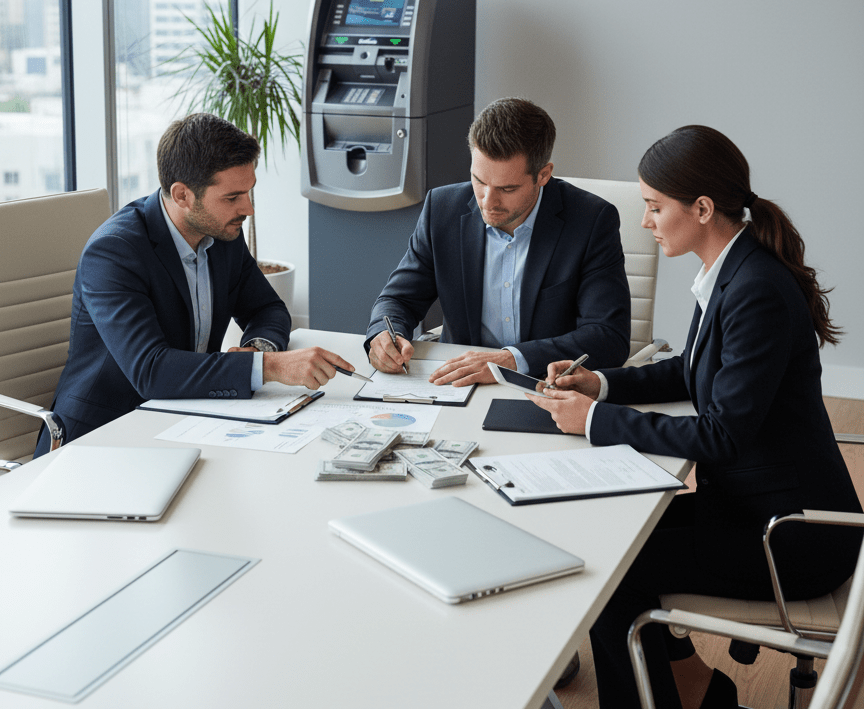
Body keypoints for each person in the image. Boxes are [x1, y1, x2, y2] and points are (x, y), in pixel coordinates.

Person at [525, 125, 863, 709]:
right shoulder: (734, 270)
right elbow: (691, 371)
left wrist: (593, 422)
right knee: (616, 541)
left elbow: (722, 435)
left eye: (655, 207)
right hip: (750, 507)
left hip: (791, 537)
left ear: (702, 208)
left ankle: (686, 692)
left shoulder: (754, 287)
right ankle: (695, 688)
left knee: (611, 573)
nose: (645, 221)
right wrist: (601, 385)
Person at [34, 113, 353, 457]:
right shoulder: (114, 252)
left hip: (184, 422)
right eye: (232, 198)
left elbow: (266, 308)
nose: (248, 209)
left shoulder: (222, 232)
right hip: (100, 440)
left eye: (249, 192)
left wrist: (260, 349)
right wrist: (271, 368)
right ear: (182, 195)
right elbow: (151, 370)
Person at [365, 97, 631, 386]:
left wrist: (511, 360)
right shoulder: (442, 210)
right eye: (479, 181)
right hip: (460, 383)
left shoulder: (591, 221)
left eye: (507, 188)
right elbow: (398, 298)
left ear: (543, 174)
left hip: (544, 386)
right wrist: (383, 334)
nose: (487, 202)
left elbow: (608, 336)